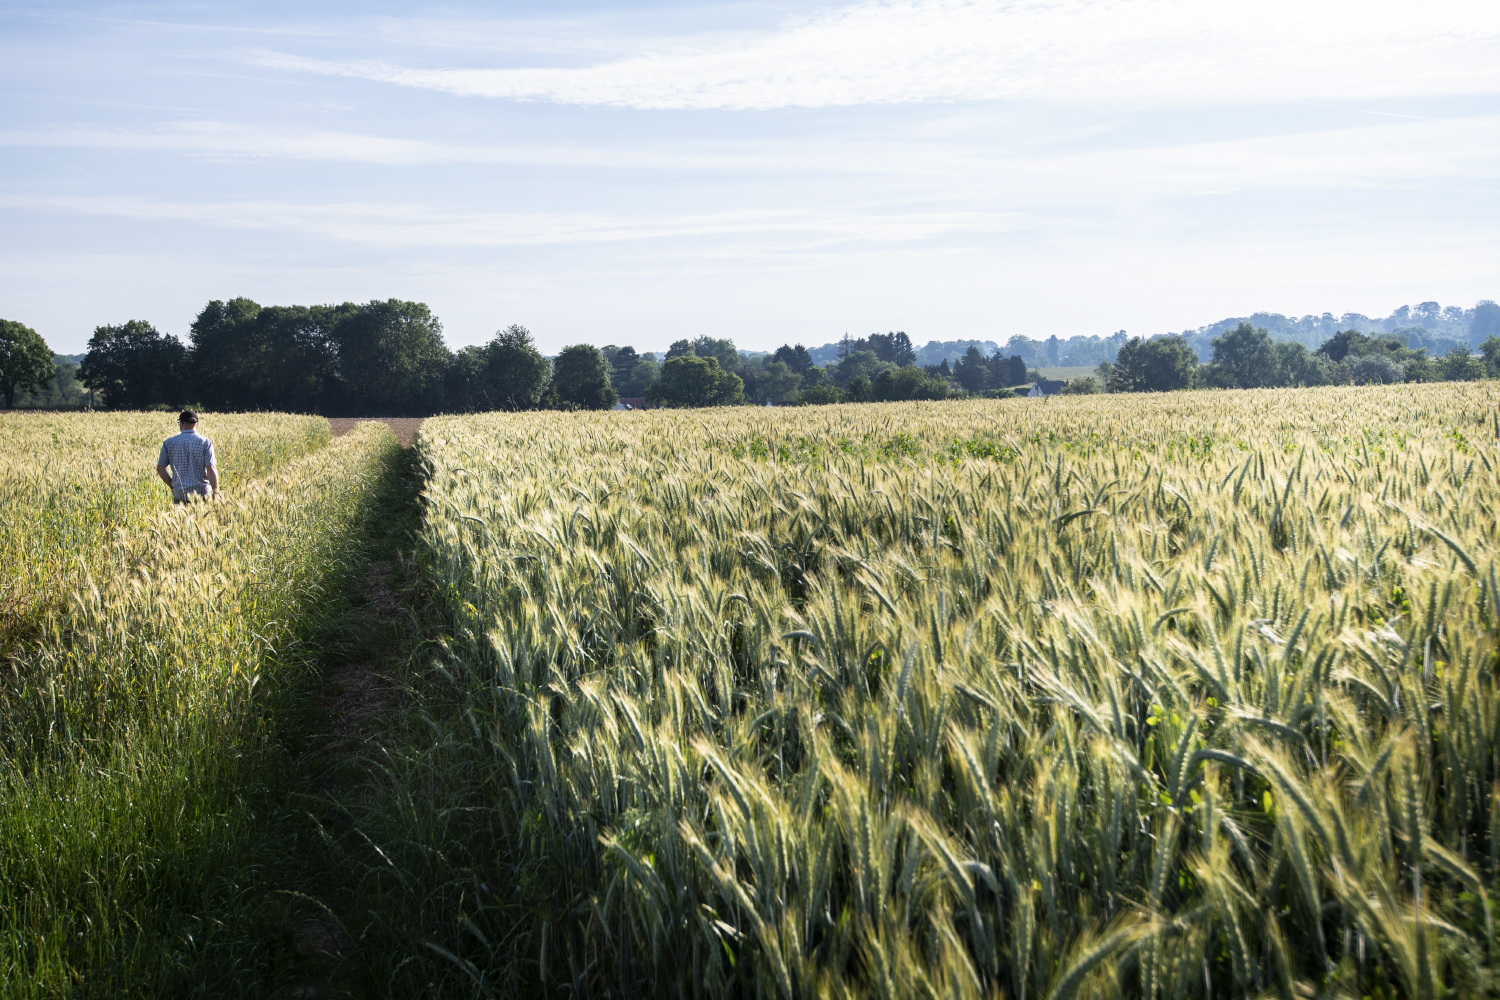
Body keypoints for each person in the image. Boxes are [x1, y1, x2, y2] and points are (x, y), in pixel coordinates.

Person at [156, 410, 218, 503]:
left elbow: (160, 468)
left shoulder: (169, 443)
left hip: (180, 493)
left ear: (181, 423)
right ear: (197, 424)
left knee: (180, 518)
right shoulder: (205, 442)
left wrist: (172, 486)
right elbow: (211, 467)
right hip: (202, 492)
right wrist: (215, 491)